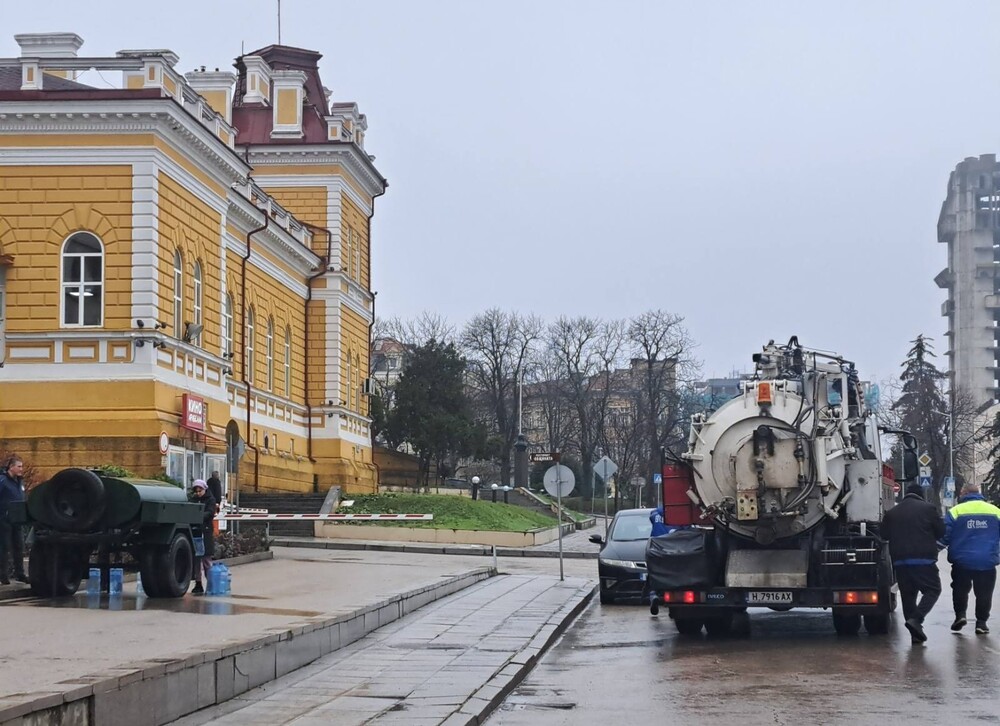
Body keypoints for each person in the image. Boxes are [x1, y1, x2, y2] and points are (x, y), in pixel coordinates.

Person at [880, 482, 945, 643]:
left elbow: (884, 535)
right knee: (933, 590)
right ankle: (917, 619)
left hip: (900, 561)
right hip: (924, 560)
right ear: (921, 495)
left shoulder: (892, 512)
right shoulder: (928, 509)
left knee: (908, 596)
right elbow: (941, 532)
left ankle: (915, 635)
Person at [943, 482, 1000, 635]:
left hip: (962, 561)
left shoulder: (955, 512)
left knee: (960, 589)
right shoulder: (995, 511)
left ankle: (960, 615)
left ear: (964, 494)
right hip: (987, 561)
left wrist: (933, 549)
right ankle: (981, 623)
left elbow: (945, 535)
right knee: (984, 593)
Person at [0, 456, 28, 585]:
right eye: (19, 466)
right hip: (5, 519)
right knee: (5, 548)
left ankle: (20, 574)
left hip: (18, 519)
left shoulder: (19, 482)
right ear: (11, 467)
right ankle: (3, 575)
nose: (21, 469)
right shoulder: (3, 481)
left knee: (19, 547)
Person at [188, 479, 216, 595]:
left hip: (206, 531)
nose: (198, 493)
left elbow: (210, 513)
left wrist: (199, 516)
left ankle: (211, 584)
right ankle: (198, 583)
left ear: (205, 489)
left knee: (206, 559)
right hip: (195, 531)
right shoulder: (193, 499)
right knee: (197, 559)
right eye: (197, 491)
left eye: (200, 491)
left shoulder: (210, 499)